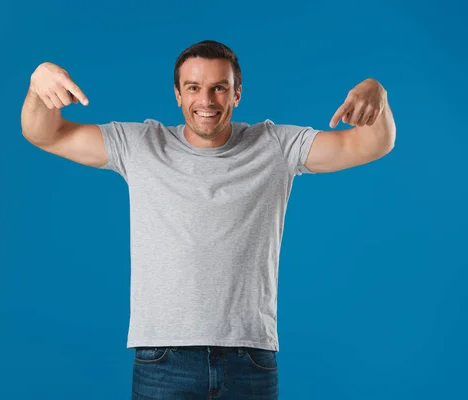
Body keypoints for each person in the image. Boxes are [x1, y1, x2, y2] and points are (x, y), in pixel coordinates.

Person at [21, 40, 396, 399]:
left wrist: (376, 93)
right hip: (162, 358)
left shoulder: (277, 146)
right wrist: (38, 84)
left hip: (249, 358)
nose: (206, 100)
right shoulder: (139, 145)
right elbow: (46, 133)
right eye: (194, 87)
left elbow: (371, 143)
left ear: (237, 94)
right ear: (177, 94)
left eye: (219, 88)